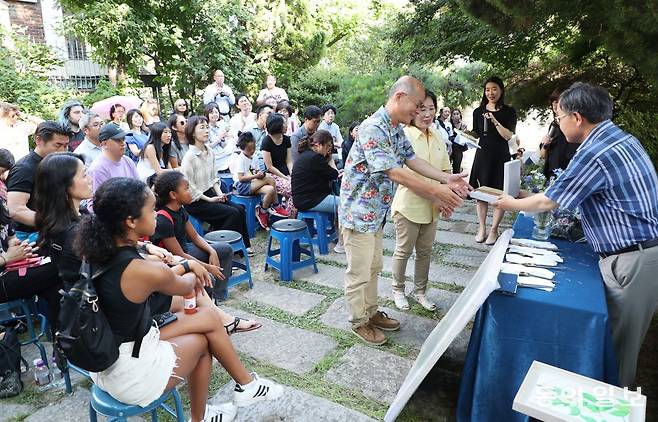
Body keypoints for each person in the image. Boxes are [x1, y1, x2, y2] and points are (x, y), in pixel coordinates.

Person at [73, 177, 283, 421]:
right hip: (128, 373)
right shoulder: (142, 268)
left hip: (107, 357)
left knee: (207, 319)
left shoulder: (99, 250)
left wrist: (178, 265)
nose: (155, 215)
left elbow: (159, 279)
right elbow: (185, 286)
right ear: (130, 221)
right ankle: (225, 400)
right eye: (151, 210)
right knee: (204, 339)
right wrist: (189, 266)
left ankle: (241, 389)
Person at [494, 82, 658, 388]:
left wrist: (511, 203)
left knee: (619, 353)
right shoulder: (620, 140)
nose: (558, 124)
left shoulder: (595, 150)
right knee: (618, 345)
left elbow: (548, 202)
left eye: (560, 117)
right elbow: (571, 193)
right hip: (638, 255)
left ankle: (612, 410)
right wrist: (527, 195)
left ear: (578, 118)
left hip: (633, 260)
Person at [339, 76, 471, 346]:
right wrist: (435, 192)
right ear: (400, 96)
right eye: (417, 103)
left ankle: (371, 312)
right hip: (358, 212)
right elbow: (394, 171)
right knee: (359, 271)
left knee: (374, 267)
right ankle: (358, 321)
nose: (420, 109)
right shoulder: (373, 127)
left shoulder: (395, 127)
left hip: (374, 214)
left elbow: (412, 160)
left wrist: (446, 179)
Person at [390, 90, 451, 312]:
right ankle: (398, 290)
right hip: (409, 207)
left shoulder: (437, 135)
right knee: (403, 251)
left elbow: (445, 169)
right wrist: (436, 196)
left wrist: (447, 197)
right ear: (413, 110)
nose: (427, 114)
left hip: (433, 207)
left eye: (431, 109)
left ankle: (420, 292)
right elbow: (405, 177)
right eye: (422, 109)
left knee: (425, 252)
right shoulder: (403, 136)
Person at [1, 151, 61, 339]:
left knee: (53, 266)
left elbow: (9, 231)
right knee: (58, 269)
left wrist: (15, 244)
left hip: (11, 264)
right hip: (4, 273)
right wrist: (7, 257)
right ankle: (63, 341)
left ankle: (62, 340)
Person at [180, 116, 252, 253]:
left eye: (207, 127)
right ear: (192, 133)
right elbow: (189, 187)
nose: (206, 130)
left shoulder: (210, 151)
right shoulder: (189, 157)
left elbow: (214, 178)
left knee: (240, 209)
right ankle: (222, 249)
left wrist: (220, 194)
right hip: (196, 201)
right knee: (232, 213)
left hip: (211, 194)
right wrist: (209, 199)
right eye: (202, 128)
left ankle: (243, 245)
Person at [469, 76, 517, 245]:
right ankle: (481, 227)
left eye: (494, 89)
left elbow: (508, 136)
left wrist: (494, 120)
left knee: (499, 194)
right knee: (481, 193)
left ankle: (494, 229)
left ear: (501, 90)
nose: (490, 92)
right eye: (487, 89)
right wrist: (464, 134)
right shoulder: (478, 111)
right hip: (483, 155)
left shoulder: (509, 112)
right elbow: (476, 133)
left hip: (501, 155)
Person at [7, 121, 70, 241]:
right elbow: (15, 209)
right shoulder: (24, 168)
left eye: (66, 145)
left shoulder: (59, 163)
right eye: (57, 145)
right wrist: (53, 223)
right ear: (39, 140)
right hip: (30, 236)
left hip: (57, 231)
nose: (63, 150)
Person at [233, 132, 288, 229]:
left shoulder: (254, 157)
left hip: (252, 184)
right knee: (270, 178)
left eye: (254, 148)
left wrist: (260, 174)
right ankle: (276, 206)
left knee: (270, 189)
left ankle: (262, 211)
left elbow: (256, 170)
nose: (252, 151)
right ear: (242, 148)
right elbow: (241, 178)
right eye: (249, 149)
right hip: (243, 186)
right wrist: (255, 176)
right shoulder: (241, 159)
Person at [291, 130, 339, 213]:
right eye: (328, 147)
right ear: (319, 145)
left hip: (302, 199)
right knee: (347, 205)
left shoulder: (306, 155)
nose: (328, 151)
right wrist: (330, 159)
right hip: (310, 200)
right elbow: (334, 174)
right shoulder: (315, 158)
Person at [88, 123, 139, 193]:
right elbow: (98, 201)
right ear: (105, 144)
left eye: (123, 139)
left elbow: (140, 188)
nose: (123, 143)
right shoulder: (98, 169)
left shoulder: (128, 160)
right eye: (118, 140)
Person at [540, 89, 578, 179]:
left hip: (567, 174)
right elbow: (542, 155)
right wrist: (545, 145)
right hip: (551, 174)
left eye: (557, 102)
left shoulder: (573, 125)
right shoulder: (553, 125)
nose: (554, 106)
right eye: (553, 102)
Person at [261, 113, 293, 216]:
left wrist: (292, 175)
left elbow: (289, 161)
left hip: (285, 173)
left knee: (298, 186)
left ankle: (290, 213)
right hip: (273, 175)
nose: (286, 125)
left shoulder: (287, 139)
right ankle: (283, 211)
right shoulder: (267, 141)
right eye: (284, 123)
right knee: (291, 189)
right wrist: (285, 177)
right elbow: (269, 167)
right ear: (277, 125)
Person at [204, 102, 234, 174]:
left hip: (222, 152)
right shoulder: (205, 128)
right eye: (212, 113)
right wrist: (219, 138)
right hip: (213, 156)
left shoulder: (221, 126)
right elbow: (207, 147)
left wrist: (223, 139)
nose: (215, 114)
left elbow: (223, 145)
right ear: (207, 114)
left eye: (216, 112)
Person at [449, 108, 468, 174]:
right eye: (454, 114)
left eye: (457, 114)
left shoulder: (463, 125)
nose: (456, 115)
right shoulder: (448, 125)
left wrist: (463, 131)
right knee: (447, 168)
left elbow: (465, 137)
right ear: (451, 116)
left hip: (458, 149)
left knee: (456, 168)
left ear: (460, 115)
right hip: (450, 148)